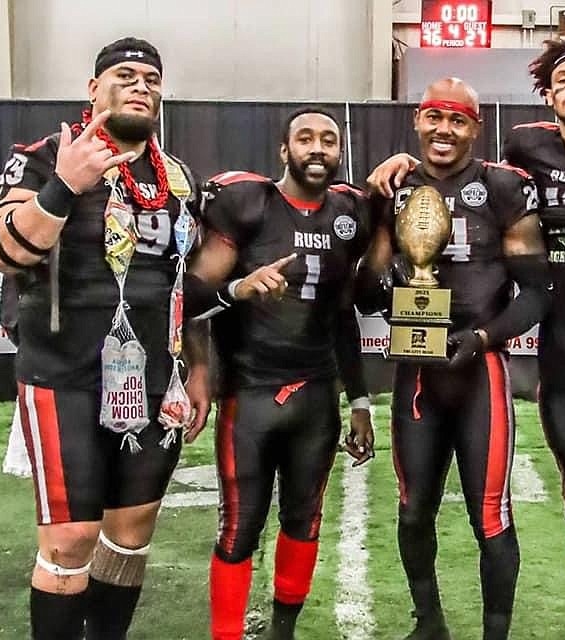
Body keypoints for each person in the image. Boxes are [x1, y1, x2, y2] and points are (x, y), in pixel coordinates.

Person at [369, 38, 565, 640]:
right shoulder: (527, 151)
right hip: (563, 359)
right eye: (562, 77)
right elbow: (444, 172)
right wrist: (391, 174)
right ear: (547, 92)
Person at [0, 37, 200, 639]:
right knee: (71, 537)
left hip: (154, 379)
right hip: (64, 373)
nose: (141, 87)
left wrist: (198, 368)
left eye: (152, 79)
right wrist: (65, 185)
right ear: (93, 89)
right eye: (126, 75)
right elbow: (3, 251)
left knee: (130, 534)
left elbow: (184, 282)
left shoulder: (178, 177)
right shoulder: (45, 154)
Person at [357, 77, 552, 640]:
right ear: (417, 120)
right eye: (434, 117)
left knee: (490, 516)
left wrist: (485, 339)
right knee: (414, 508)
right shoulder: (390, 186)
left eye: (458, 119)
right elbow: (366, 293)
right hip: (416, 370)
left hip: (477, 369)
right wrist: (379, 239)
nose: (444, 129)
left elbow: (538, 292)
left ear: (475, 127)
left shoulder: (501, 187)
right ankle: (430, 624)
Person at [182, 107, 375, 640]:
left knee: (304, 520)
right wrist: (236, 290)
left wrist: (359, 401)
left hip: (315, 392)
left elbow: (343, 315)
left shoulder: (349, 212)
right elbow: (189, 294)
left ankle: (282, 632)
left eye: (329, 140)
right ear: (283, 151)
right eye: (306, 138)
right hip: (251, 392)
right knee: (239, 527)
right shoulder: (249, 203)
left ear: (341, 152)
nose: (318, 148)